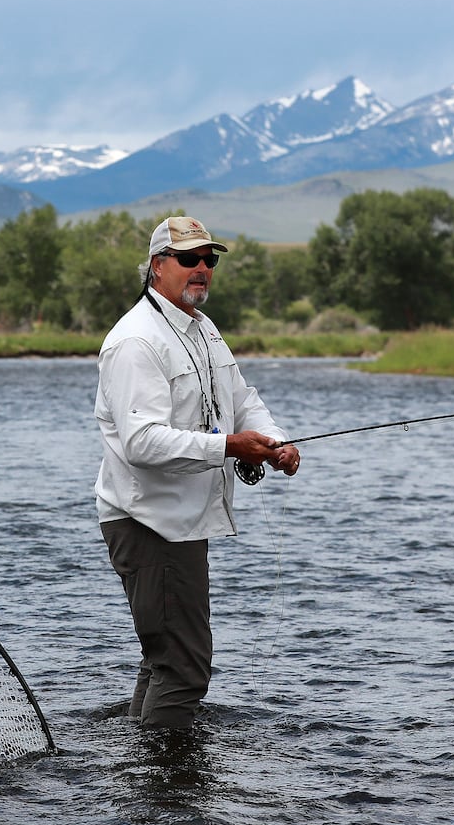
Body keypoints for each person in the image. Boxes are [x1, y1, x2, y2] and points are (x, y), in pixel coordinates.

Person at [95, 215, 300, 729]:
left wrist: (272, 443)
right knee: (185, 669)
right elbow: (141, 442)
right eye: (189, 259)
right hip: (150, 523)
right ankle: (169, 791)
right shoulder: (136, 340)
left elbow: (241, 399)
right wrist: (231, 445)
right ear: (157, 266)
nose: (202, 268)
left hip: (181, 522)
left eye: (210, 259)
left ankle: (144, 774)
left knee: (164, 658)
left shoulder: (202, 328)